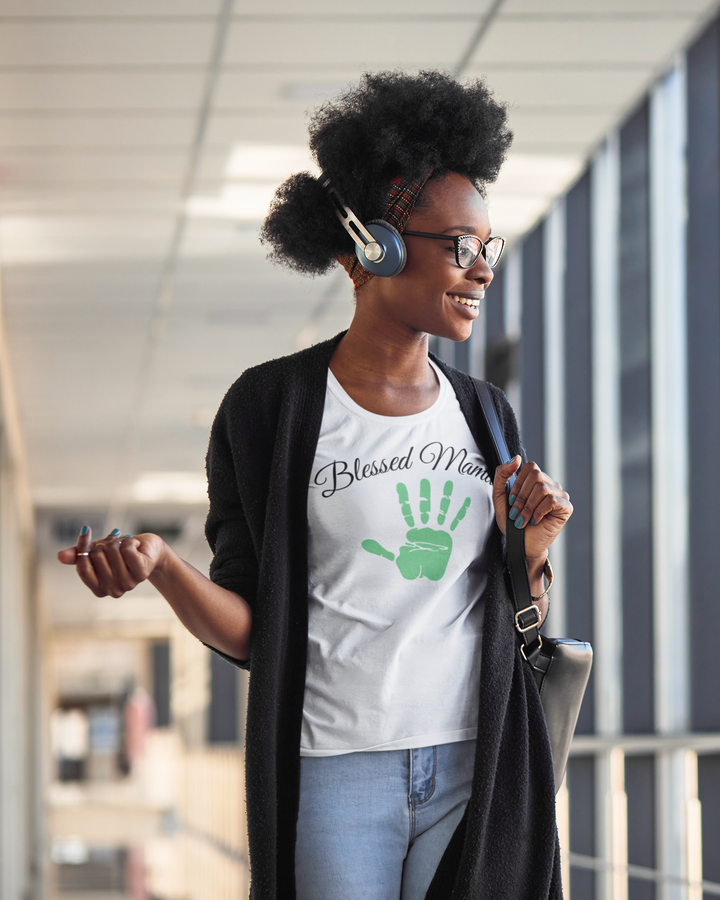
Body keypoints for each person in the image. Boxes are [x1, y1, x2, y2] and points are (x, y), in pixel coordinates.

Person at [59, 71, 572, 900]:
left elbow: (516, 612)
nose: (481, 270)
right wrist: (161, 567)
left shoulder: (487, 415)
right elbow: (253, 634)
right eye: (459, 246)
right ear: (377, 247)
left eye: (490, 247)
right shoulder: (271, 408)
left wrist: (534, 554)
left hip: (476, 758)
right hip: (335, 772)